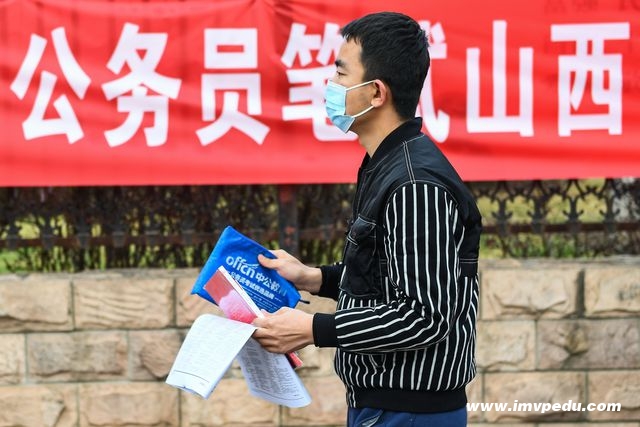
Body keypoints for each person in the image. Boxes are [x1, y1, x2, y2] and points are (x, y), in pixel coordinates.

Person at [252, 11, 482, 427]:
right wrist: (312, 278)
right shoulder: (387, 164)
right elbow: (385, 277)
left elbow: (424, 316)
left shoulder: (415, 185)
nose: (331, 85)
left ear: (376, 92)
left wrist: (314, 328)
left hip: (409, 412)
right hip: (382, 406)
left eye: (341, 74)